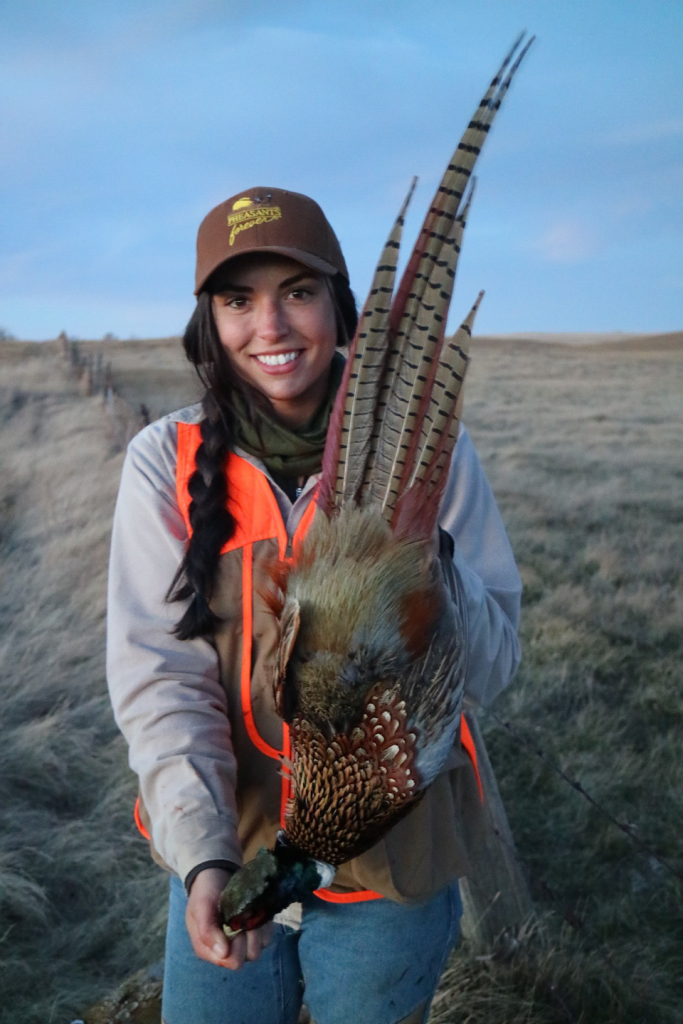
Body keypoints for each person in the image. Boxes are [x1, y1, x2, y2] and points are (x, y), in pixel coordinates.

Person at [106, 187, 522, 1024]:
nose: (271, 327)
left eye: (297, 292)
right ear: (209, 323)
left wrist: (418, 566)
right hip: (234, 858)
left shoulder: (432, 460)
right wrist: (203, 857)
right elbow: (161, 682)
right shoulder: (167, 460)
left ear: (338, 305)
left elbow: (496, 661)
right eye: (238, 301)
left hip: (392, 878)